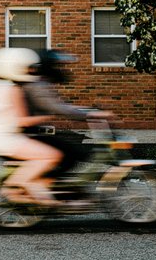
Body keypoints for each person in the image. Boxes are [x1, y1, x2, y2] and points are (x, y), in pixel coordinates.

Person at [0, 48, 63, 206]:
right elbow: (22, 121)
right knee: (52, 155)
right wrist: (49, 116)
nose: (30, 70)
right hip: (7, 139)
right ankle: (13, 186)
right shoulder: (13, 89)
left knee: (38, 156)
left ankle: (33, 186)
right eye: (27, 67)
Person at [24, 49, 115, 177]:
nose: (62, 70)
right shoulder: (37, 86)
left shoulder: (41, 83)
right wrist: (91, 114)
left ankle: (53, 183)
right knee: (72, 155)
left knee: (71, 154)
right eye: (58, 66)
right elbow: (59, 108)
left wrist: (90, 110)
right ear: (49, 67)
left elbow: (62, 106)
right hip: (28, 135)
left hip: (32, 132)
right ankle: (49, 184)